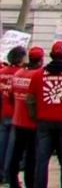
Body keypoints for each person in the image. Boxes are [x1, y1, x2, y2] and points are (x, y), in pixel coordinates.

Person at [26, 41, 62, 188]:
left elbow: (30, 100)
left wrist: (35, 117)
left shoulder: (38, 75)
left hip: (44, 121)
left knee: (41, 159)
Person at [7, 46, 43, 188]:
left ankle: (13, 181)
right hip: (33, 122)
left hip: (18, 119)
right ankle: (30, 183)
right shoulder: (39, 75)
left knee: (16, 153)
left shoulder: (18, 74)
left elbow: (11, 96)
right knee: (31, 156)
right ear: (40, 60)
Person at [0, 46, 27, 185]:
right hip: (17, 114)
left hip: (3, 112)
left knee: (2, 144)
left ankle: (1, 173)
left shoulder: (2, 72)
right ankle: (8, 174)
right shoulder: (20, 73)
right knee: (12, 147)